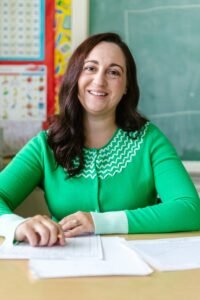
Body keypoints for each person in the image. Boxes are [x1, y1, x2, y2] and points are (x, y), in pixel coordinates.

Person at [0, 32, 200, 247]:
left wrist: (100, 222)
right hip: (63, 267)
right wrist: (16, 225)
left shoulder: (149, 139)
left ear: (126, 87)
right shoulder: (46, 145)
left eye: (113, 72)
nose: (99, 80)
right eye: (90, 68)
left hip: (139, 271)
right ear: (75, 76)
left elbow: (189, 209)